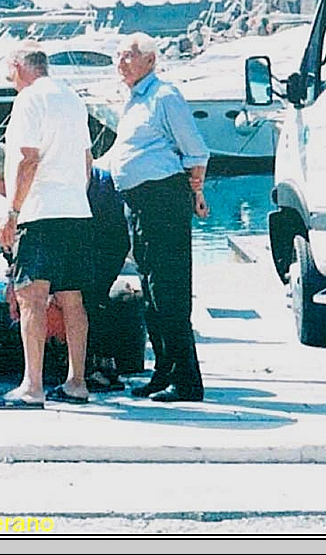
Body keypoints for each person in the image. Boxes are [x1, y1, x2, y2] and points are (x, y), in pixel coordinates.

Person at [101, 32, 210, 403]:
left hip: (163, 200)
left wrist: (196, 192)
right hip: (139, 202)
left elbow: (196, 151)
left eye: (129, 55)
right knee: (151, 291)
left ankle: (187, 383)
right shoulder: (134, 100)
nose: (121, 62)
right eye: (118, 56)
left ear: (150, 60)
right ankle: (163, 373)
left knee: (170, 291)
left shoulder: (164, 96)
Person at [0, 49, 93, 410]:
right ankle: (76, 382)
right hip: (76, 210)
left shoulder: (29, 99)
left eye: (9, 75)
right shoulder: (72, 98)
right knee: (72, 299)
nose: (10, 82)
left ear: (18, 67)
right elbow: (86, 160)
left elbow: (28, 159)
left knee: (31, 296)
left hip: (40, 210)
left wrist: (13, 211)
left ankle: (32, 387)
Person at [0, 143, 131, 392]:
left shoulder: (38, 186)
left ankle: (100, 367)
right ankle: (83, 369)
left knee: (83, 296)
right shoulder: (30, 190)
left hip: (102, 230)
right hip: (87, 229)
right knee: (69, 296)